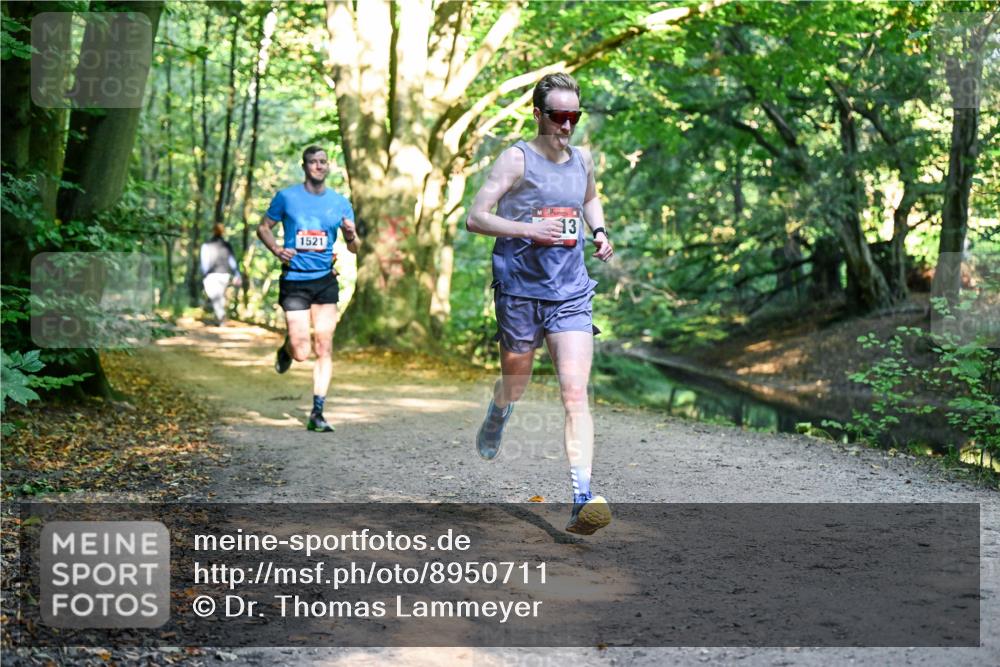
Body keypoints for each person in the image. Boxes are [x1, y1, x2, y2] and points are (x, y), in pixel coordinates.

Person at [466, 73, 615, 535]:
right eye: (559, 116)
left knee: (575, 393)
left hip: (570, 291)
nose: (567, 125)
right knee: (516, 382)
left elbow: (589, 200)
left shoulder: (582, 161)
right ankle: (499, 410)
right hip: (519, 291)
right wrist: (527, 229)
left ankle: (582, 497)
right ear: (538, 115)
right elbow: (476, 217)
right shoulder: (516, 159)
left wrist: (600, 232)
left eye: (575, 115)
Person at [257, 145, 359, 432]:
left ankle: (317, 412)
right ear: (304, 166)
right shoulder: (286, 197)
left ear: (328, 166)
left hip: (325, 279)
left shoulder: (339, 202)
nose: (318, 166)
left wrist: (351, 236)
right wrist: (276, 249)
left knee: (324, 345)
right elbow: (263, 227)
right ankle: (288, 350)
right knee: (302, 350)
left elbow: (354, 247)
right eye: (313, 162)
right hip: (295, 280)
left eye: (323, 162)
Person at [200, 223, 242, 325]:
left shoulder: (206, 245)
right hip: (225, 275)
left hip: (211, 275)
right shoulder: (227, 245)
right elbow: (232, 262)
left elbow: (204, 262)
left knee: (215, 296)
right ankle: (219, 318)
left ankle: (221, 316)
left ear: (213, 231)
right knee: (219, 296)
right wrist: (237, 274)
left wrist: (204, 274)